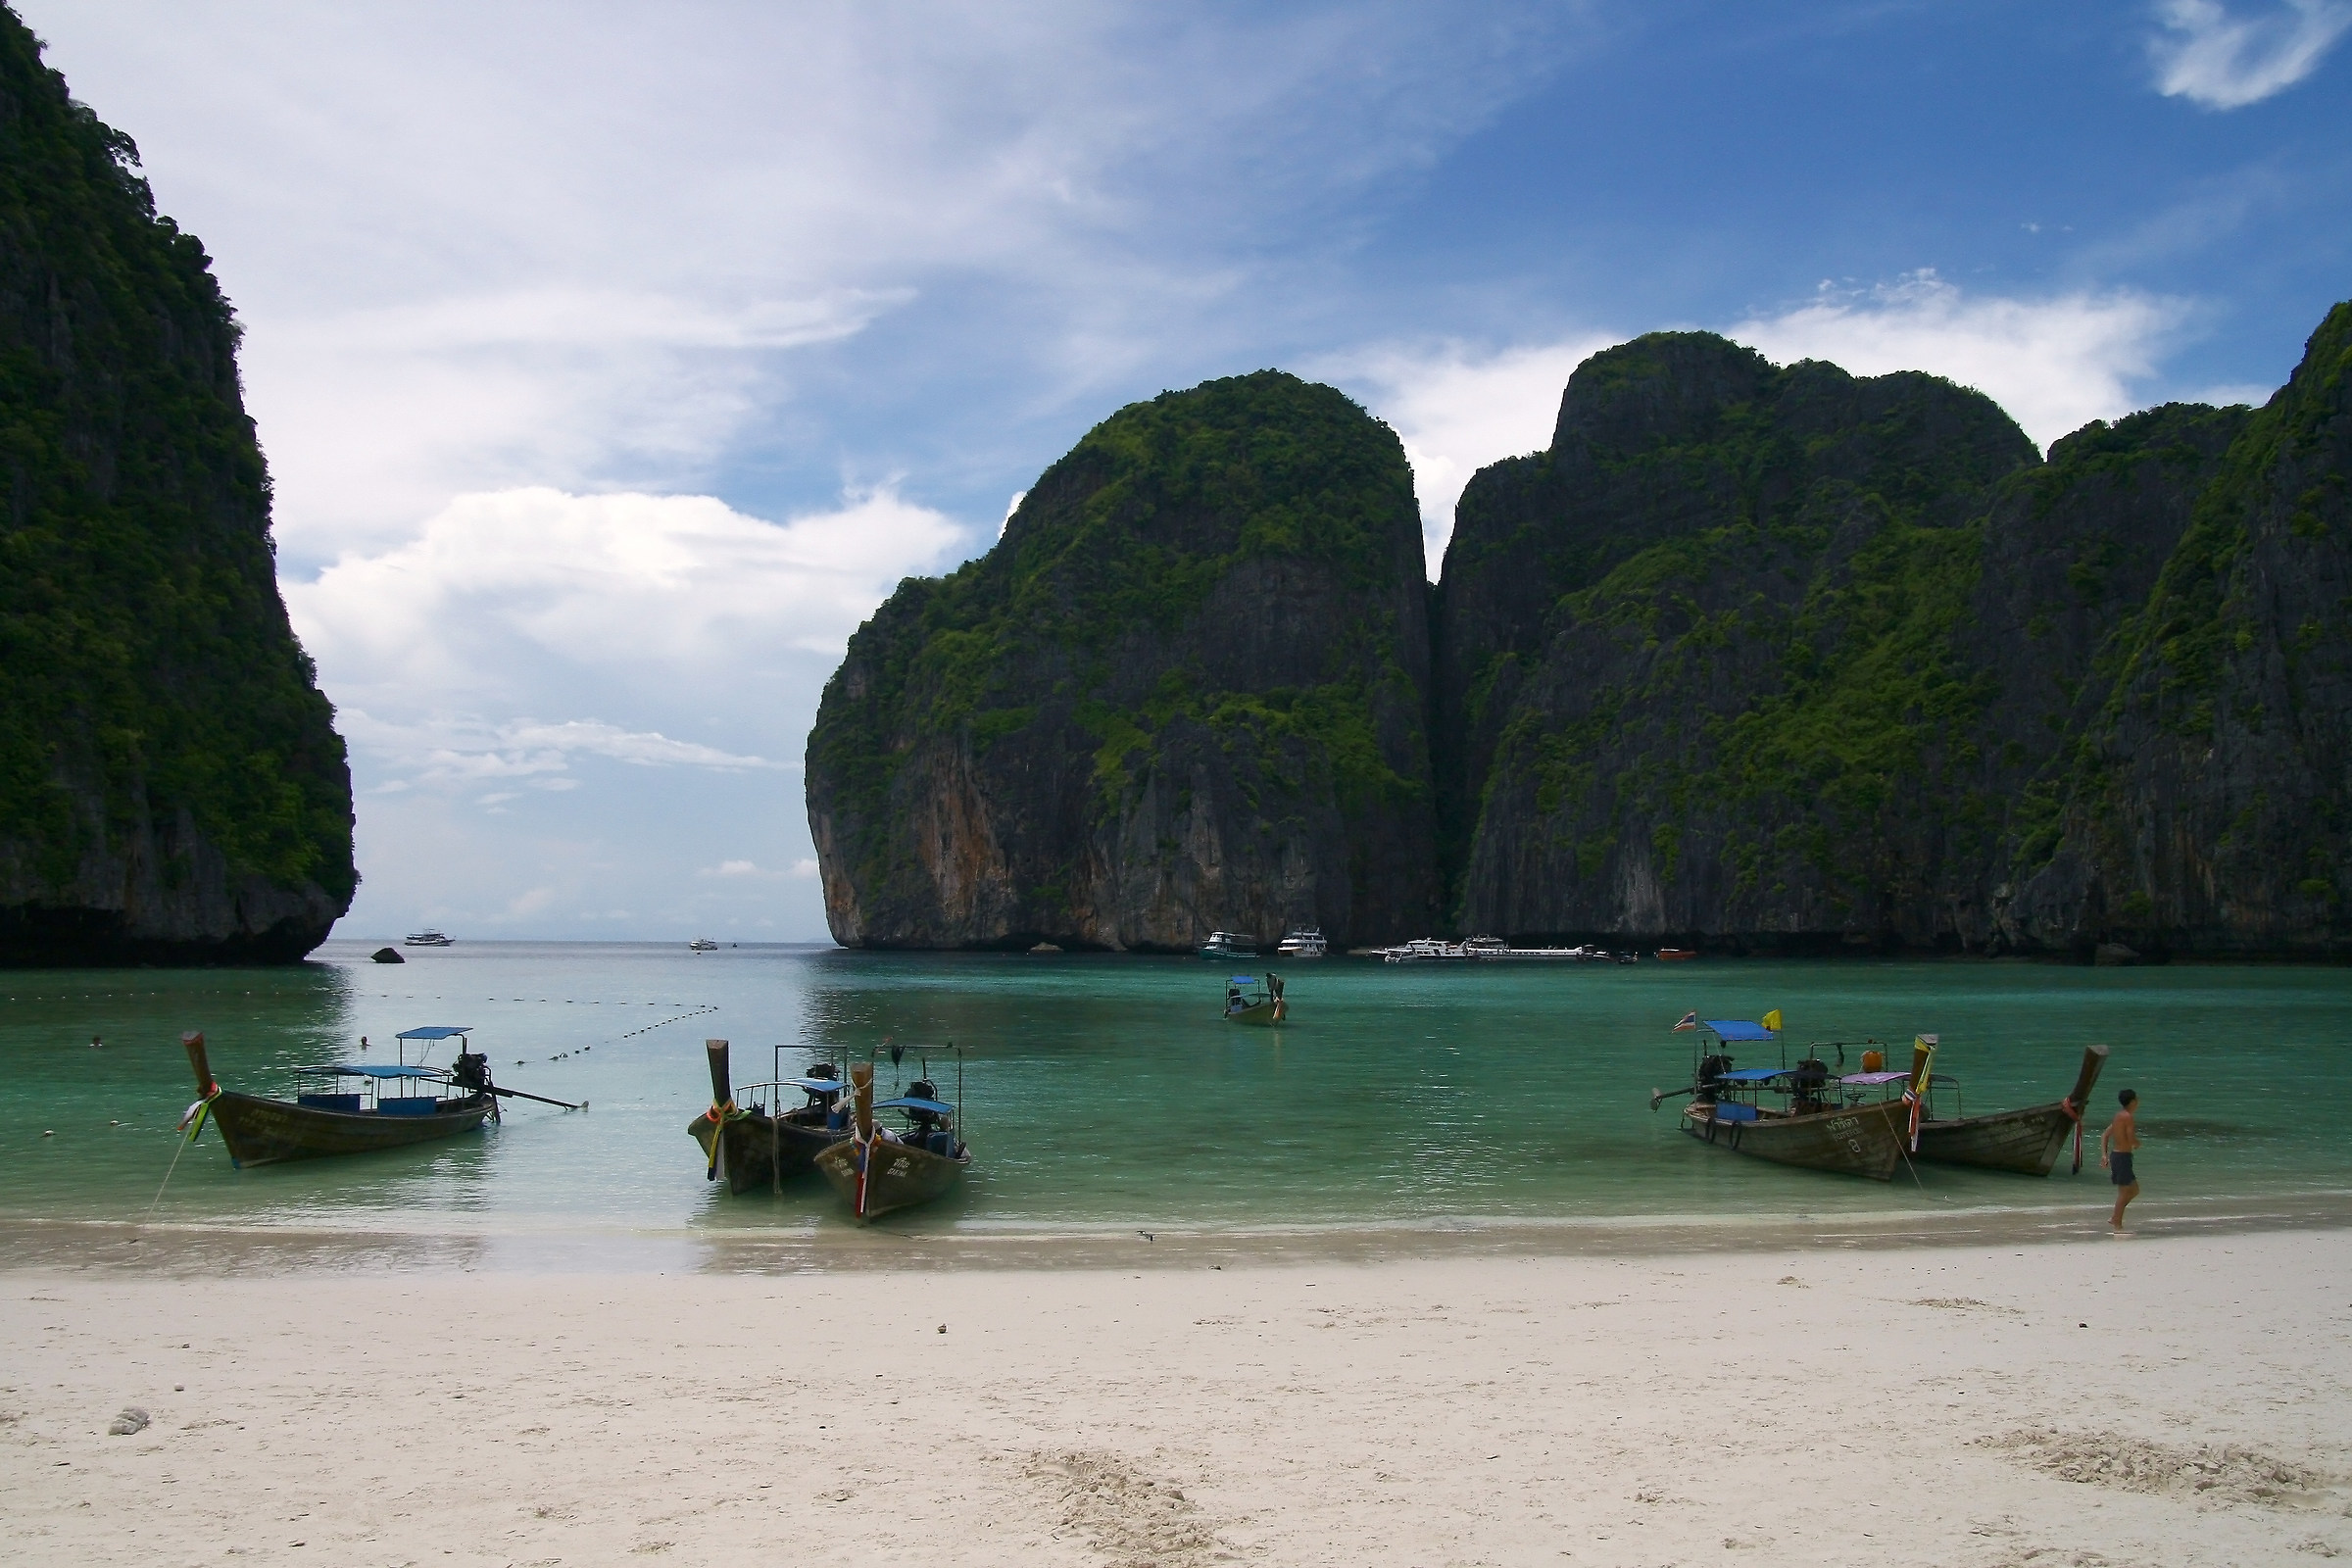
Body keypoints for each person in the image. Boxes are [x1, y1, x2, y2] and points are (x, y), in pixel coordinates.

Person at [2100, 1088, 2141, 1231]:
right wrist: (2136, 1143)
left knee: (2134, 1190)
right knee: (2124, 1192)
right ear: (2132, 1102)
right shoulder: (2128, 1117)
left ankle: (2115, 1216)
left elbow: (2105, 1135)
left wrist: (2104, 1155)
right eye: (2136, 1099)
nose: (2138, 1102)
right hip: (2122, 1157)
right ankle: (2117, 1223)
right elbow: (2130, 1138)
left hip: (2118, 1156)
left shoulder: (2118, 1116)